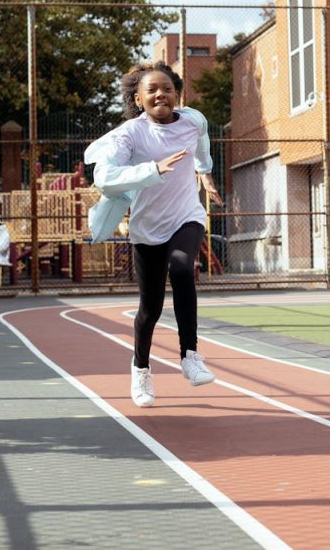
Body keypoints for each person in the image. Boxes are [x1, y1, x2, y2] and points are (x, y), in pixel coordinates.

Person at [84, 61, 223, 408]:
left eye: (167, 88)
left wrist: (205, 174)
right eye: (152, 90)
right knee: (150, 309)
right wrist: (152, 170)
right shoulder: (131, 134)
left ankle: (190, 355)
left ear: (177, 93)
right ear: (138, 98)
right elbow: (104, 177)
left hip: (186, 217)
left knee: (181, 269)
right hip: (147, 229)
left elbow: (202, 144)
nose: (160, 93)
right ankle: (141, 368)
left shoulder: (193, 121)